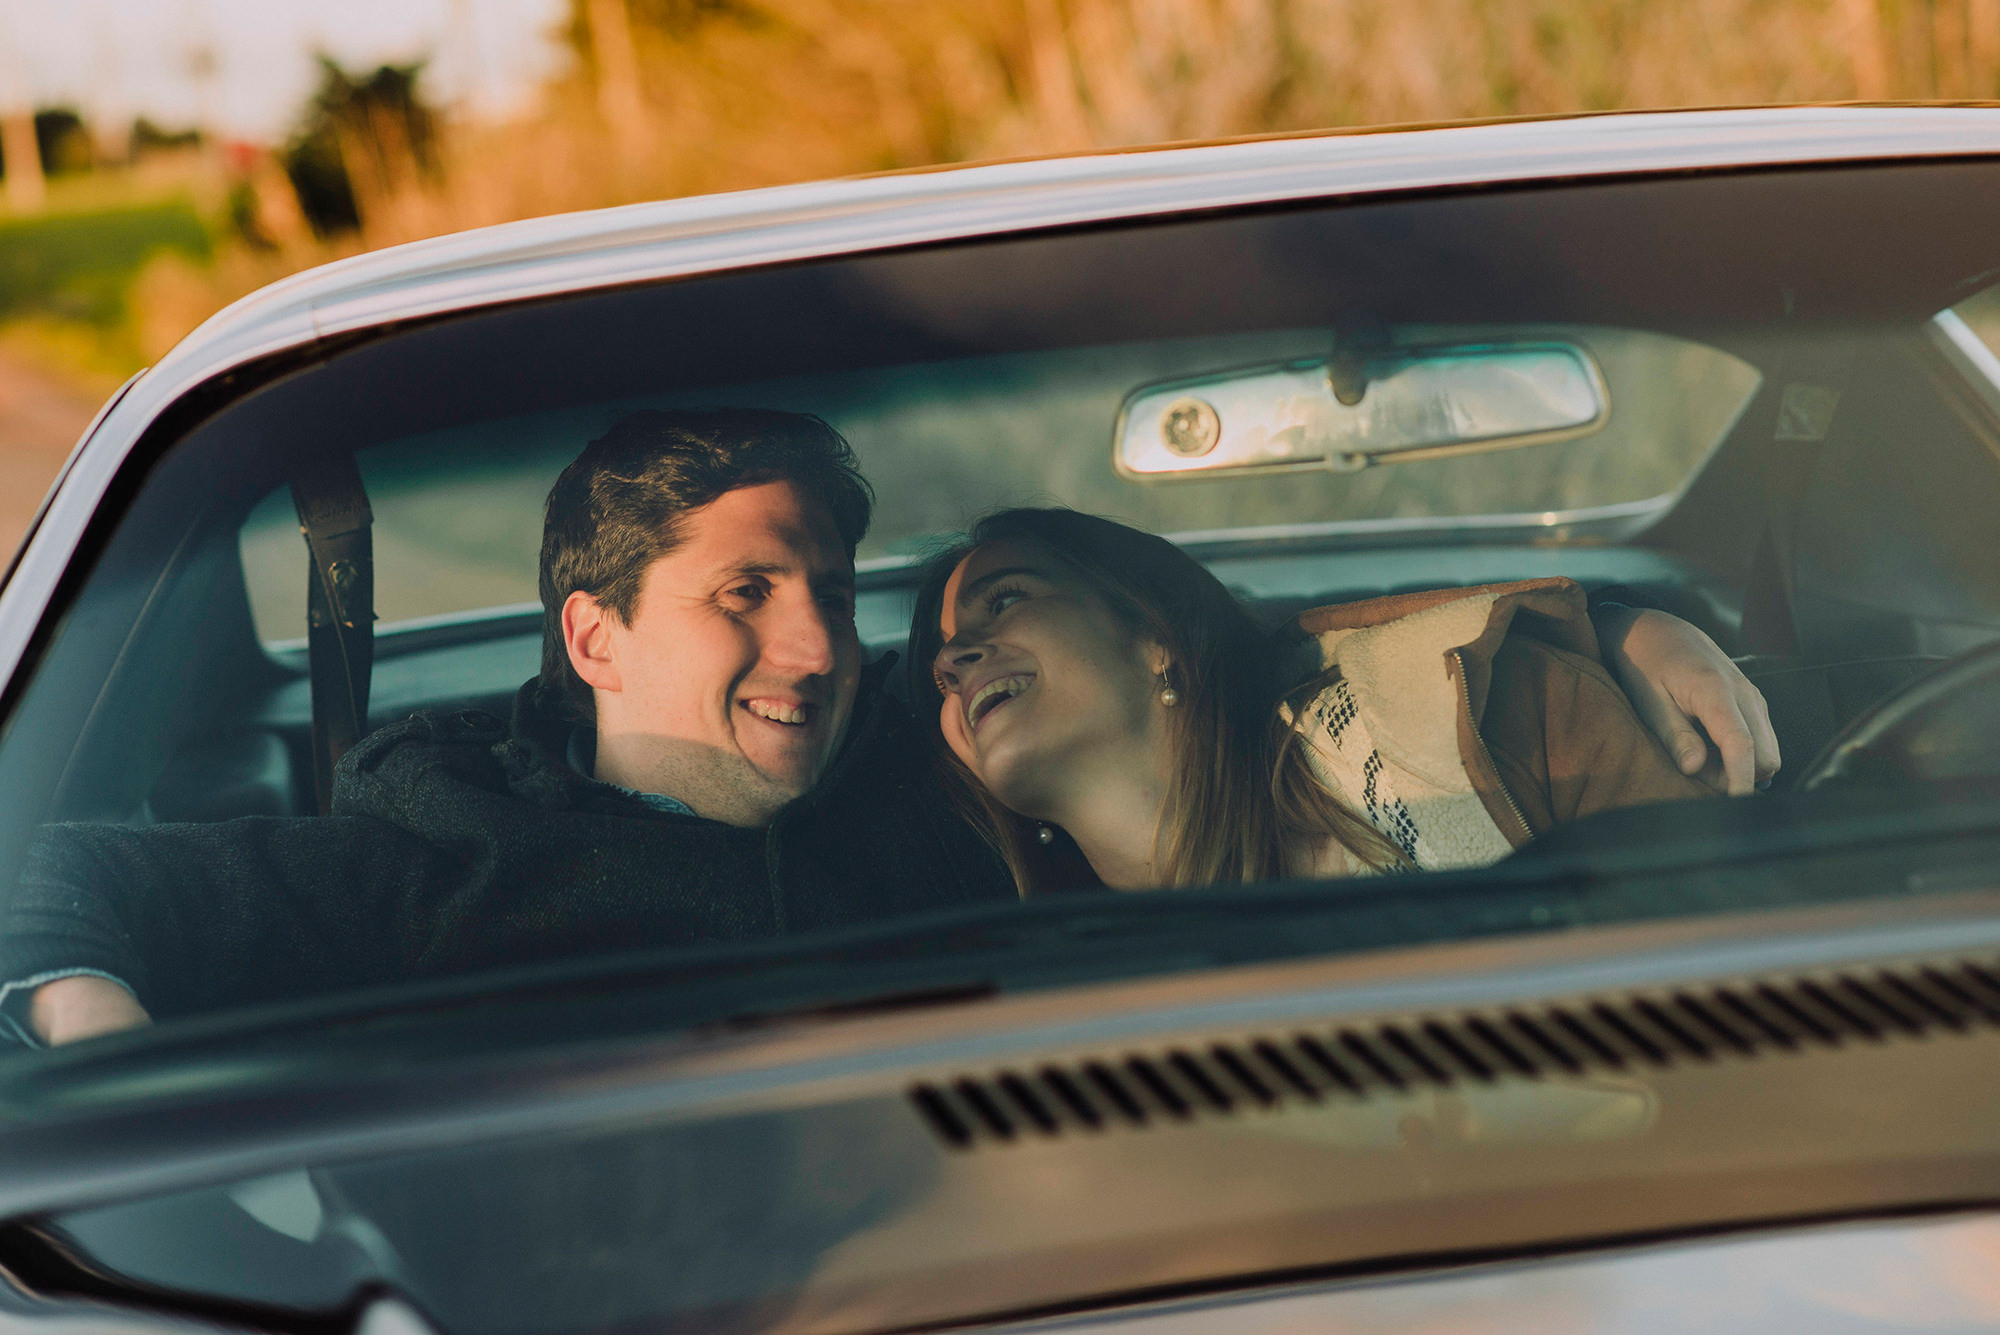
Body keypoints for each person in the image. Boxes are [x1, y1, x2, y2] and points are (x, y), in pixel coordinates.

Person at [12, 414, 1771, 1046]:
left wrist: (1612, 615)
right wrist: (113, 1057)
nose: (826, 646)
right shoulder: (413, 857)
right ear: (595, 634)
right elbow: (48, 877)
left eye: (837, 591)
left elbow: (1197, 656)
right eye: (750, 593)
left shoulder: (937, 794)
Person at [912, 508, 1735, 895]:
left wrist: (1621, 628)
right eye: (939, 670)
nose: (952, 660)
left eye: (1005, 599)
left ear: (1152, 636)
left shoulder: (1504, 714)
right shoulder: (1032, 1000)